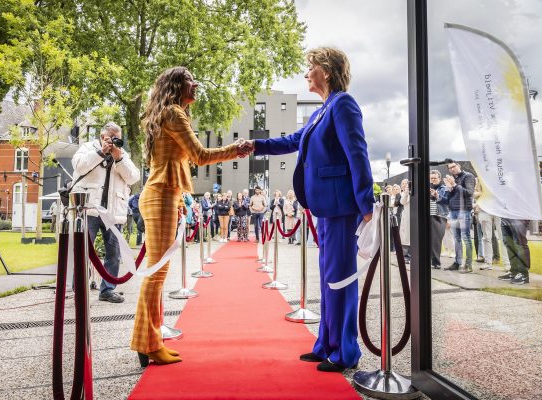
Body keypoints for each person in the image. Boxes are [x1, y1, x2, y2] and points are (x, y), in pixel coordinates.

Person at [239, 47, 374, 373]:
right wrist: (255, 145)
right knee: (329, 279)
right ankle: (325, 345)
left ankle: (345, 352)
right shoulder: (320, 111)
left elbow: (358, 153)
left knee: (341, 279)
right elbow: (292, 140)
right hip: (325, 207)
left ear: (325, 71)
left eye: (310, 67)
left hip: (342, 207)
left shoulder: (343, 104)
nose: (305, 74)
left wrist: (366, 203)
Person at [131, 66, 249, 367]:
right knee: (156, 272)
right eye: (189, 80)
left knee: (157, 272)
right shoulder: (173, 113)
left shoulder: (169, 113)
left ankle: (152, 340)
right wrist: (235, 149)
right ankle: (147, 343)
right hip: (160, 194)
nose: (195, 84)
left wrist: (179, 199)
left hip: (165, 194)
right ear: (176, 85)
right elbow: (200, 156)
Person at [71, 122, 141, 303]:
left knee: (114, 253)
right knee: (84, 250)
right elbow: (79, 166)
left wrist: (119, 158)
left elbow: (133, 177)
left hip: (113, 211)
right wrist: (100, 152)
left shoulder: (122, 155)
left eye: (117, 138)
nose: (113, 142)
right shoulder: (88, 148)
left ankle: (108, 290)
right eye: (110, 138)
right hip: (90, 209)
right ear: (102, 136)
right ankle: (79, 287)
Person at [439, 160, 476, 273]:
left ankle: (468, 265)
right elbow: (450, 198)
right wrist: (448, 189)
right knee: (457, 239)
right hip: (454, 211)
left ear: (458, 166)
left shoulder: (468, 176)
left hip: (464, 210)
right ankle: (457, 262)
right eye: (450, 168)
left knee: (466, 238)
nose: (452, 169)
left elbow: (469, 192)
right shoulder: (452, 179)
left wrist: (455, 185)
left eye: (454, 166)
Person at [429, 170, 449, 269]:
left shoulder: (444, 188)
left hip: (439, 216)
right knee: (426, 240)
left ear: (439, 179)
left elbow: (447, 201)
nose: (433, 180)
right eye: (431, 178)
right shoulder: (426, 188)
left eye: (435, 178)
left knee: (436, 240)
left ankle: (436, 263)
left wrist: (437, 196)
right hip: (427, 216)